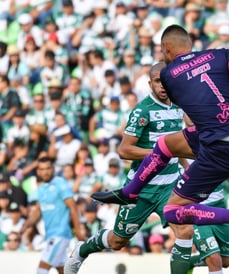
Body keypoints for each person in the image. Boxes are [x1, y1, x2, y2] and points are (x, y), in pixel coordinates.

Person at [91, 24, 229, 271]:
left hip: (218, 147)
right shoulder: (219, 53)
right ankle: (130, 192)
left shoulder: (169, 74)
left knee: (171, 211)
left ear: (166, 48)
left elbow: (182, 105)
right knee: (166, 144)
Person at [64, 62, 186, 274]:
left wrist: (185, 167)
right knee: (118, 240)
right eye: (158, 81)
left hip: (170, 187)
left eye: (166, 80)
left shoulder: (178, 105)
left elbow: (178, 144)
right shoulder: (142, 110)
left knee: (185, 230)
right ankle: (83, 249)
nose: (163, 85)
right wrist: (159, 153)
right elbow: (124, 150)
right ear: (150, 83)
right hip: (142, 188)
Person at [20, 156, 85, 274]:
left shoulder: (60, 183)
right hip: (50, 235)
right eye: (42, 169)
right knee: (64, 271)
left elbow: (73, 207)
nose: (46, 171)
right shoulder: (40, 188)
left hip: (60, 235)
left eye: (48, 168)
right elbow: (38, 211)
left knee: (42, 269)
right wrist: (26, 225)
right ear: (38, 171)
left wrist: (78, 231)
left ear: (53, 169)